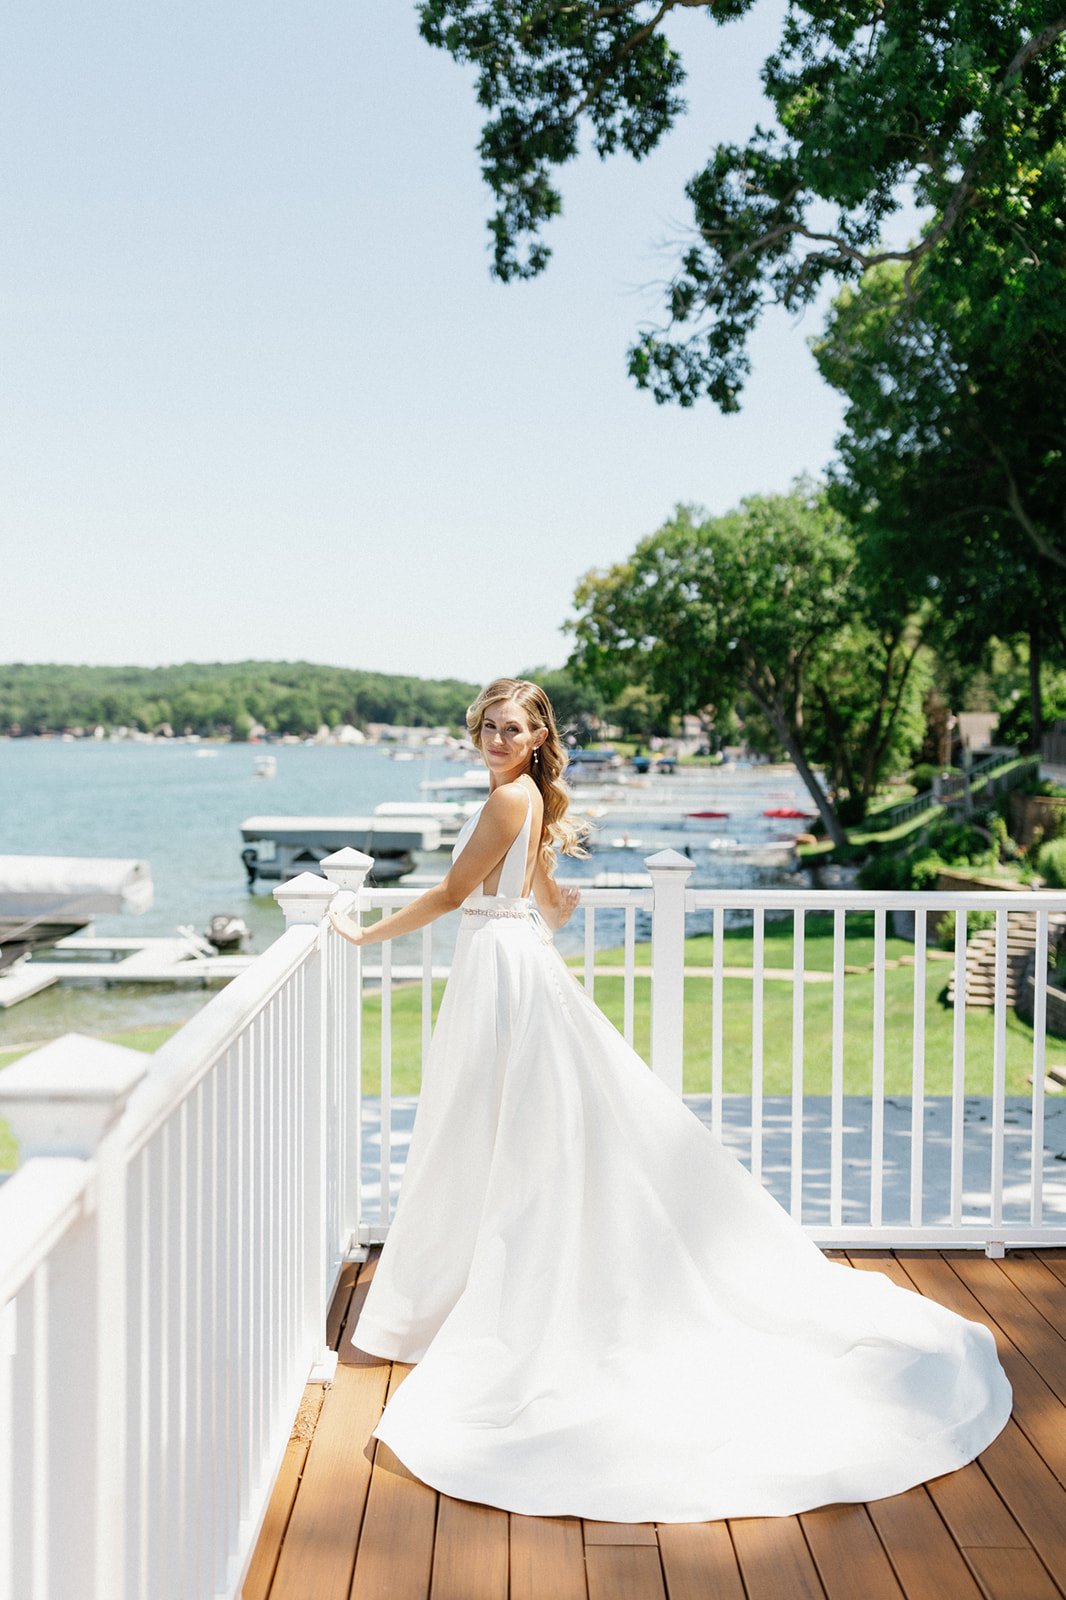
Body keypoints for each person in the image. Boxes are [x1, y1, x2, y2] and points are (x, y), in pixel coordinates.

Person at [327, 677, 1012, 1524]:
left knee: (490, 1126)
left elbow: (449, 893)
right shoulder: (528, 799)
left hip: (500, 971)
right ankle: (467, 1289)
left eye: (513, 730)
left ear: (538, 740)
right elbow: (539, 893)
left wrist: (362, 932)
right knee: (508, 1127)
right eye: (489, 728)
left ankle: (472, 1296)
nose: (498, 741)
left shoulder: (510, 800)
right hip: (510, 964)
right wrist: (552, 903)